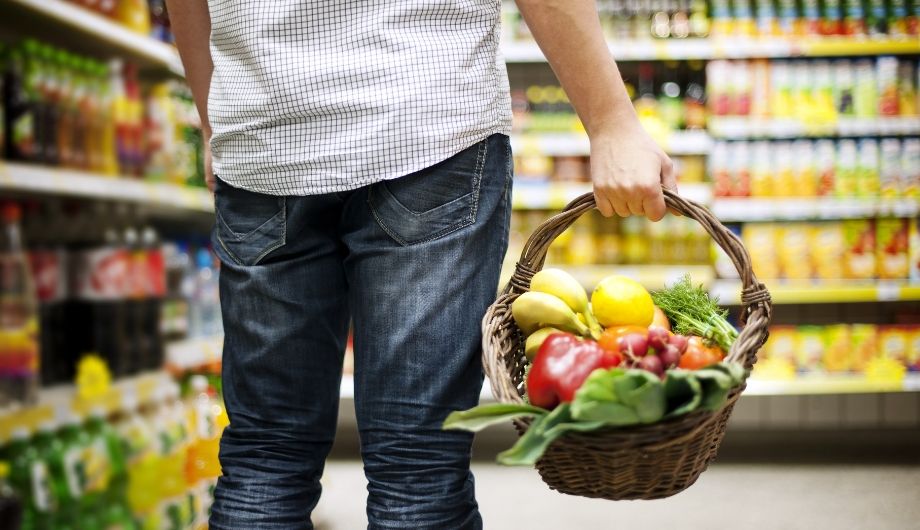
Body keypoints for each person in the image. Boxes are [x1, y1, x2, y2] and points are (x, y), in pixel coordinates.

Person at [165, 0, 676, 528]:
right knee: (417, 465)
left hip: (263, 143)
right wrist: (611, 121)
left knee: (264, 458)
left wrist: (213, 122)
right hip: (424, 128)